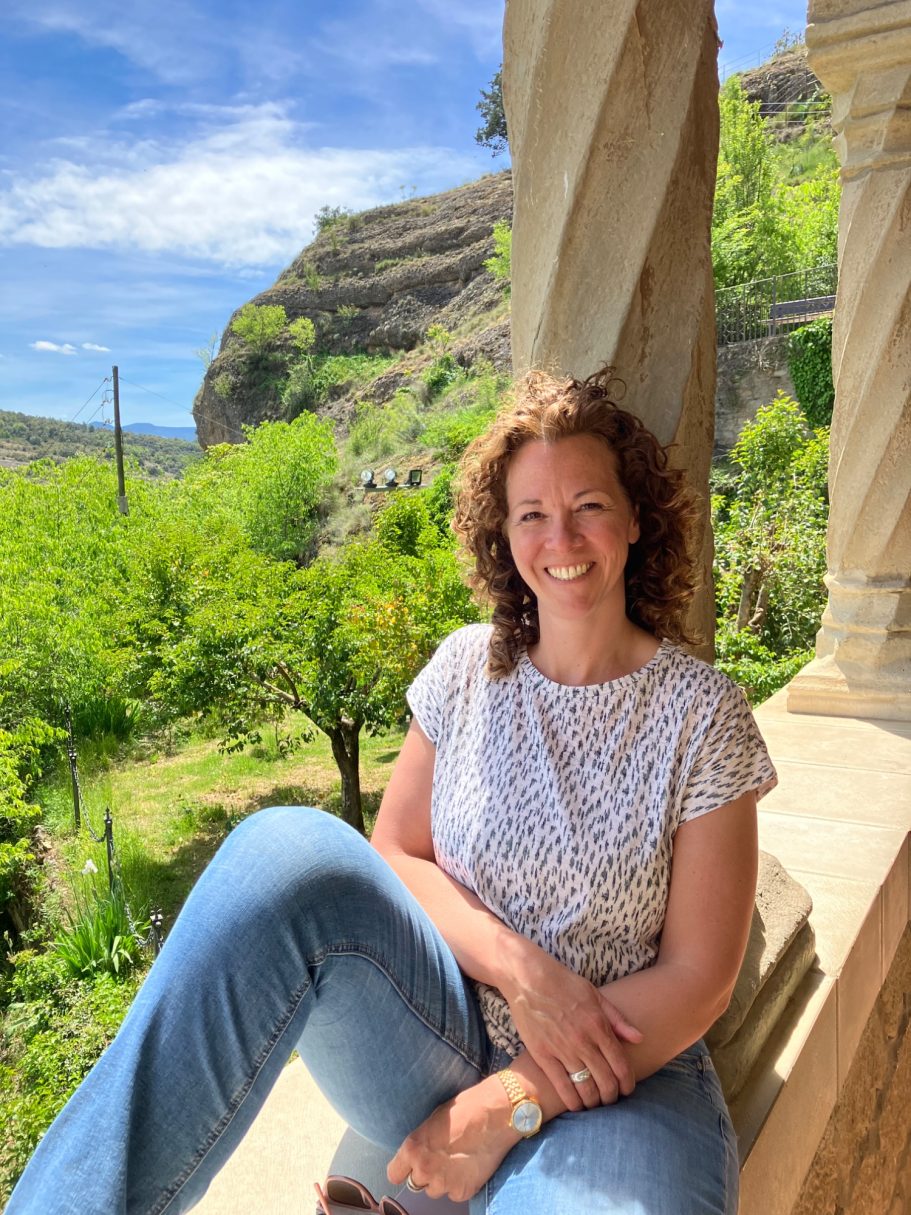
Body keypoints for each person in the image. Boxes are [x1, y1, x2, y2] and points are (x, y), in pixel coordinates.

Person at [7, 368, 776, 1215]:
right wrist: (520, 971)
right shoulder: (464, 668)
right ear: (503, 533)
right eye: (530, 513)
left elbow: (699, 977)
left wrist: (508, 1102)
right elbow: (396, 852)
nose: (559, 535)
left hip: (624, 1069)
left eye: (588, 504)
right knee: (283, 853)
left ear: (633, 517)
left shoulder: (702, 713)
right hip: (435, 1032)